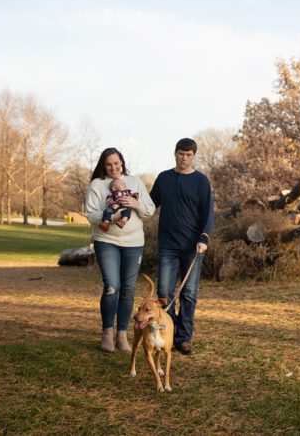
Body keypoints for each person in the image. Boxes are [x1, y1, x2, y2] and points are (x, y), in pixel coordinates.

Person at [84, 147, 156, 353]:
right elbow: (90, 214)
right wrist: (112, 218)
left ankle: (122, 334)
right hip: (106, 241)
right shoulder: (98, 185)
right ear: (103, 166)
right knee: (112, 286)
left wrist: (136, 203)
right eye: (109, 164)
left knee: (128, 289)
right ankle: (107, 332)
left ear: (122, 163)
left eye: (116, 163)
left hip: (133, 243)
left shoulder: (134, 182)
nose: (113, 167)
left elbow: (149, 211)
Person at [150, 137, 214, 356]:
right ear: (175, 153)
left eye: (188, 155)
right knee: (164, 292)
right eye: (181, 154)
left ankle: (183, 338)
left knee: (188, 294)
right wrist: (129, 205)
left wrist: (203, 238)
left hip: (192, 248)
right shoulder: (164, 178)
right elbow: (150, 205)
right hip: (168, 245)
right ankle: (171, 329)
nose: (184, 158)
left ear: (194, 156)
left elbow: (208, 213)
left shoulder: (201, 181)